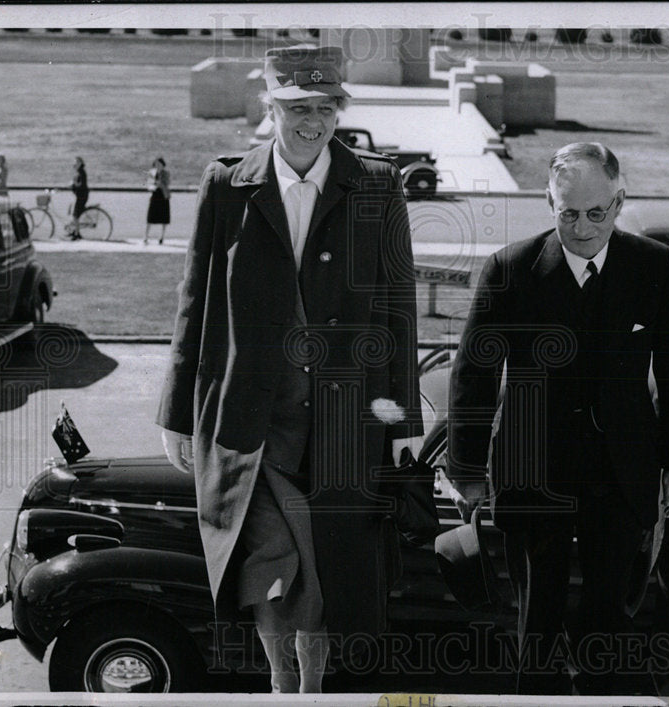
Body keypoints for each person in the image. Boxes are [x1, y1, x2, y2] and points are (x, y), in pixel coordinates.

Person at [156, 45, 423, 694]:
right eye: (298, 107)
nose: (314, 120)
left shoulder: (377, 185)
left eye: (326, 107)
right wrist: (176, 413)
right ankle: (283, 684)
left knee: (325, 570)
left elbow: (397, 308)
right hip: (254, 423)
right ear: (270, 107)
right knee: (272, 570)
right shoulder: (226, 184)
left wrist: (403, 414)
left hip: (341, 424)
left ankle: (310, 688)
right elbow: (196, 304)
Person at [446, 142, 669, 695]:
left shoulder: (653, 265)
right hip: (533, 475)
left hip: (621, 475)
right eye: (567, 213)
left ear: (619, 200)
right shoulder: (510, 270)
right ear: (548, 202)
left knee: (609, 621)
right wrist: (466, 470)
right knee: (537, 622)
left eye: (595, 213)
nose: (582, 227)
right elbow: (473, 375)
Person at [144, 156, 171, 245]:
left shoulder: (166, 173)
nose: (158, 166)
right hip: (155, 195)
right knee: (150, 217)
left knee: (164, 218)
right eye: (156, 164)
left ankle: (161, 237)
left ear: (163, 165)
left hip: (163, 196)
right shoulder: (152, 173)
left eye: (159, 164)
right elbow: (148, 184)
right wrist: (151, 186)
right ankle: (146, 237)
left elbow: (167, 184)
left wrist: (160, 183)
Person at [69, 156, 88, 239]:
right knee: (74, 214)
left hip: (81, 196)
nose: (74, 164)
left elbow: (80, 185)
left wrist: (73, 183)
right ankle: (74, 231)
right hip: (79, 195)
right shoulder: (79, 172)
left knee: (76, 215)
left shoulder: (81, 173)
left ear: (80, 163)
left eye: (76, 162)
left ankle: (77, 234)